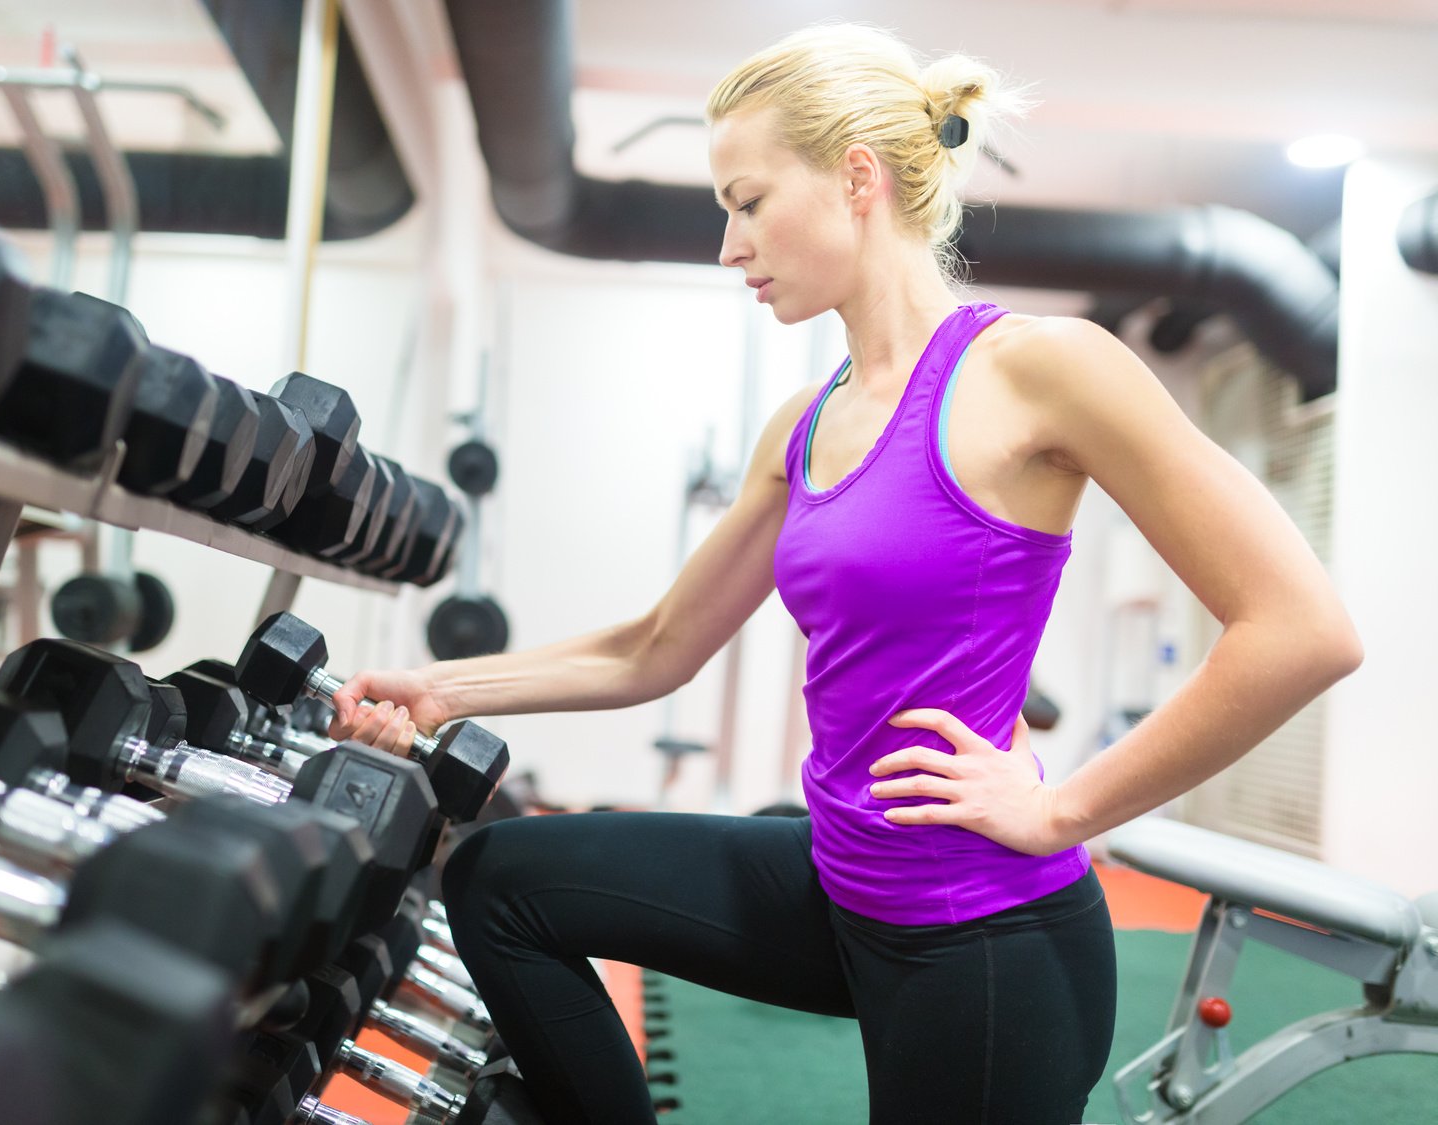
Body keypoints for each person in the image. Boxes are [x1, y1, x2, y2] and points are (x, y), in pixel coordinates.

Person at [327, 22, 1364, 1125]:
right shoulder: (802, 424)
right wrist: (445, 693)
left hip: (979, 937)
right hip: (838, 882)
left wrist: (1066, 808)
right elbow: (654, 647)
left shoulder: (1037, 372)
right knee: (502, 886)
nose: (730, 245)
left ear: (856, 178)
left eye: (747, 200)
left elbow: (1300, 629)